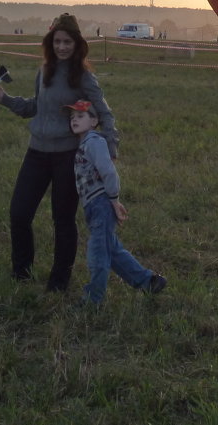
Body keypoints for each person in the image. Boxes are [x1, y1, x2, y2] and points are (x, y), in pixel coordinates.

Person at [0, 12, 119, 292]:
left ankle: (59, 281)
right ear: (51, 42)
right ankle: (21, 272)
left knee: (62, 219)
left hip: (68, 156)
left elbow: (105, 113)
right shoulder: (44, 72)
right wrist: (5, 100)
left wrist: (110, 149)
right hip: (37, 152)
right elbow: (37, 106)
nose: (62, 47)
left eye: (68, 42)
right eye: (58, 41)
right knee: (19, 213)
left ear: (77, 45)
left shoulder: (83, 77)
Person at [64, 99, 165, 305]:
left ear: (94, 121)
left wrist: (113, 200)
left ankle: (93, 300)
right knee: (113, 251)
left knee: (98, 253)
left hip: (100, 204)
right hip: (94, 206)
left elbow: (109, 172)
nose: (74, 120)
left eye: (81, 116)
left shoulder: (94, 141)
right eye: (72, 117)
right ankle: (148, 282)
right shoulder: (84, 144)